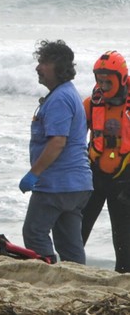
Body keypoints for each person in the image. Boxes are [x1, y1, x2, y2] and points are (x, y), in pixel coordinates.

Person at [20, 40, 92, 264]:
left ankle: (47, 272)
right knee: (70, 244)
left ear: (60, 67)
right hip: (78, 185)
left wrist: (34, 173)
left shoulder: (60, 98)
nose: (38, 67)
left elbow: (58, 142)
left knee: (34, 232)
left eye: (44, 62)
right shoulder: (67, 93)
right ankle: (77, 281)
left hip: (57, 184)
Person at [81, 51, 130, 273]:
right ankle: (70, 267)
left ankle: (124, 276)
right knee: (78, 228)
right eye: (99, 80)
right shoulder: (91, 104)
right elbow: (71, 136)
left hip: (125, 180)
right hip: (94, 176)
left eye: (107, 80)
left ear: (121, 78)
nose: (102, 85)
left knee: (124, 236)